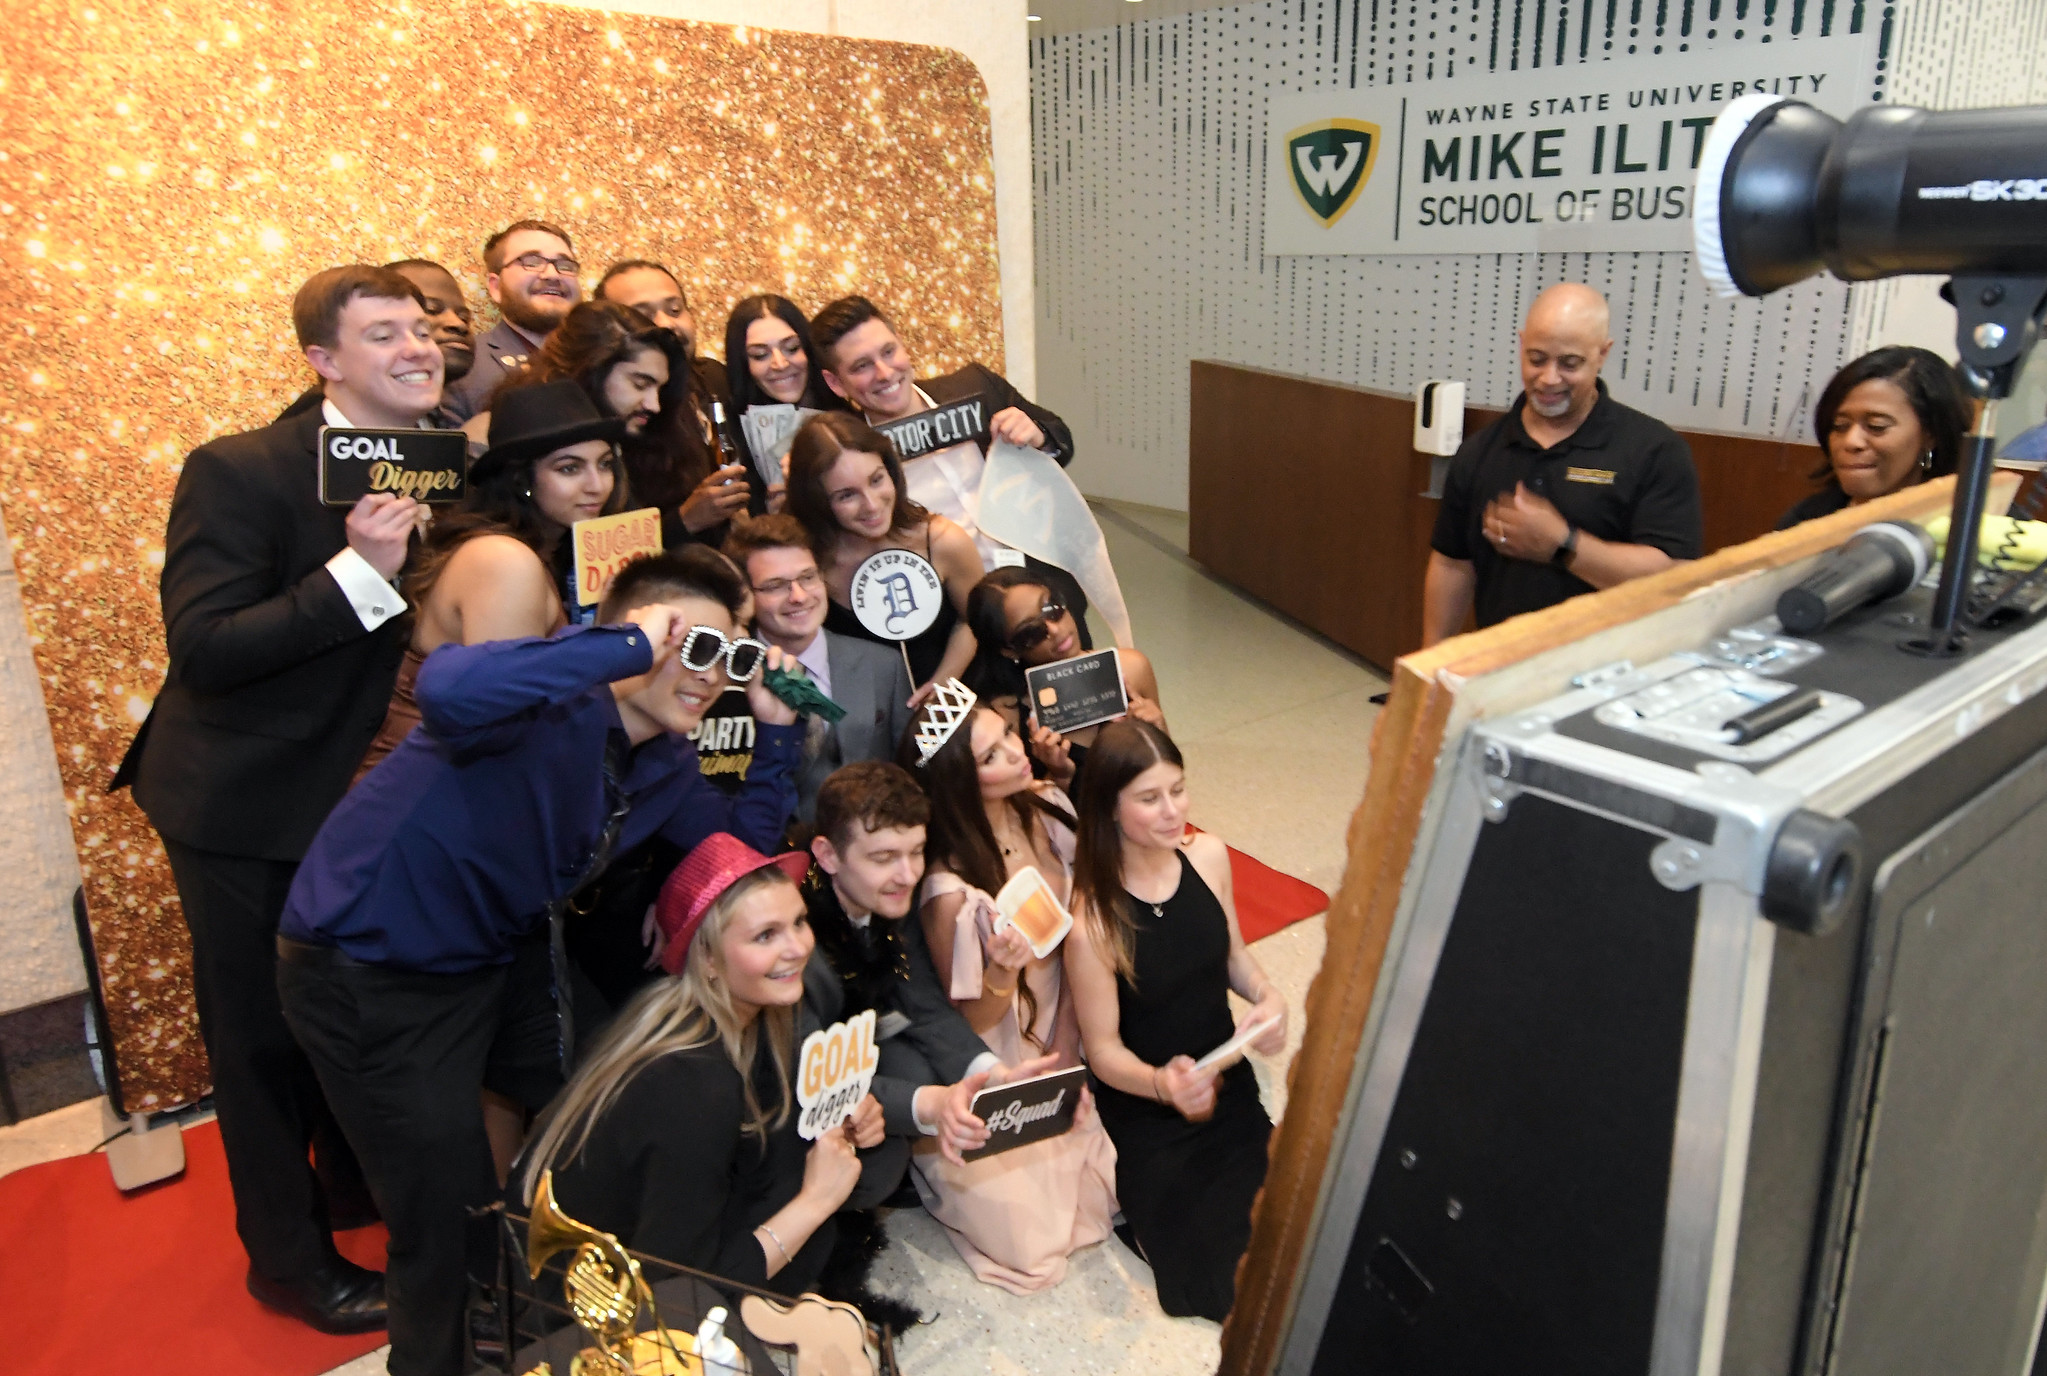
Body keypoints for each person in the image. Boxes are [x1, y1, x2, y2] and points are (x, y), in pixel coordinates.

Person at [276, 549, 806, 1376]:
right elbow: (446, 687)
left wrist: (775, 733)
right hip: (370, 970)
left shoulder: (662, 762)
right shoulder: (542, 701)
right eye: (692, 648)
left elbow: (741, 854)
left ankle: (583, 1318)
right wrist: (626, 648)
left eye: (728, 658)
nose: (708, 677)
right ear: (634, 635)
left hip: (497, 955)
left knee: (616, 1097)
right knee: (442, 1223)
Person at [109, 264, 437, 1335]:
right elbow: (203, 646)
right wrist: (356, 570)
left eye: (422, 327)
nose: (416, 345)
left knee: (346, 1013)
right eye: (382, 332)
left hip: (360, 799)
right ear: (324, 362)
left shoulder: (441, 463)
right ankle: (288, 1263)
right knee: (258, 1040)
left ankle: (354, 1191)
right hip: (240, 804)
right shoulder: (240, 468)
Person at [520, 836, 875, 1295]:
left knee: (846, 1164)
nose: (798, 948)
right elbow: (676, 1289)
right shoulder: (692, 1080)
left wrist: (843, 1120)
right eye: (766, 935)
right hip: (590, 1307)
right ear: (707, 958)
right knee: (813, 1222)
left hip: (635, 1246)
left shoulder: (731, 1015)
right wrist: (815, 1203)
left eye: (799, 922)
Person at [1064, 720, 1289, 1322]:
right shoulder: (1092, 922)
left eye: (1178, 790)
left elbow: (1234, 954)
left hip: (1226, 1087)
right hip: (1150, 1112)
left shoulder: (1208, 856)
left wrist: (1268, 997)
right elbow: (1103, 1052)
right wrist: (1164, 1084)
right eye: (1149, 798)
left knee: (1296, 1239)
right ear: (1110, 808)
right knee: (1233, 1284)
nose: (1172, 811)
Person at [901, 684, 1118, 1293]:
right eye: (992, 756)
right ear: (960, 786)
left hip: (1068, 1020)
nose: (1017, 752)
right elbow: (967, 1025)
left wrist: (1073, 1049)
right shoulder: (950, 889)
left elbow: (1087, 937)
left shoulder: (1048, 805)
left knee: (1114, 1184)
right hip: (999, 1058)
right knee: (1032, 1245)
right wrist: (1000, 970)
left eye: (1006, 735)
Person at [356, 378, 628, 781]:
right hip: (419, 808)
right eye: (569, 468)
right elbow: (508, 721)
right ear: (521, 481)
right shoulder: (503, 559)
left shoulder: (537, 552)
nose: (597, 485)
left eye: (605, 464)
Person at [801, 762, 1055, 1181]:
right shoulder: (796, 942)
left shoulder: (887, 899)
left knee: (921, 1067)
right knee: (878, 1168)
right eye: (884, 857)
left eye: (916, 852)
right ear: (827, 855)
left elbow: (925, 1006)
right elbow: (806, 1076)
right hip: (801, 1071)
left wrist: (995, 1078)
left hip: (868, 1032)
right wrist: (935, 1104)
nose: (907, 875)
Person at [1421, 283, 1703, 645]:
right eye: (1537, 359)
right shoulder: (1479, 452)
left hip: (1613, 673)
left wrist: (1563, 545)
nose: (1549, 378)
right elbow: (1452, 564)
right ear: (1521, 344)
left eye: (1569, 363)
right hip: (1504, 667)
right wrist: (1428, 667)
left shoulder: (1655, 451)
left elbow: (1677, 577)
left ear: (1602, 354)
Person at [809, 294, 1099, 643]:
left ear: (902, 344)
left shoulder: (975, 386)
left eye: (888, 352)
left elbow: (1060, 437)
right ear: (836, 383)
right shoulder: (846, 455)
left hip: (1045, 596)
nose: (884, 373)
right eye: (861, 366)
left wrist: (1038, 435)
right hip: (956, 627)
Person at [467, 300, 742, 554]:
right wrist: (684, 522)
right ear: (591, 369)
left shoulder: (651, 437)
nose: (654, 404)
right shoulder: (511, 435)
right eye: (640, 384)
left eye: (605, 465)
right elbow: (579, 560)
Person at [724, 514, 914, 823]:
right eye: (776, 586)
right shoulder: (729, 677)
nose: (798, 596)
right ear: (745, 596)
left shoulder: (883, 665)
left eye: (808, 578)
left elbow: (906, 773)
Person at [786, 412, 981, 694]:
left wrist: (942, 684)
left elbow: (974, 620)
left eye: (876, 480)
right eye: (846, 495)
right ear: (817, 501)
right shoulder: (807, 565)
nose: (872, 505)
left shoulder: (943, 541)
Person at [962, 566, 1165, 783]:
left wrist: (1157, 728)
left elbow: (1169, 770)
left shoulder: (1131, 667)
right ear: (1009, 650)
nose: (1055, 630)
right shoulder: (1003, 717)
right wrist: (1058, 775)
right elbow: (1019, 810)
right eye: (1031, 632)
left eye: (1052, 608)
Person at [1777, 346, 1972, 528]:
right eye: (1840, 426)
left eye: (1876, 426)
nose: (1851, 441)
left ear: (1930, 435)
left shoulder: (1958, 533)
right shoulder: (1805, 521)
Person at [277, 257, 473, 426]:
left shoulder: (447, 444)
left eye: (422, 333)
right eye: (384, 337)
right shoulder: (263, 462)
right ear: (327, 361)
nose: (418, 349)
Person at [443, 219, 582, 422]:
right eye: (532, 262)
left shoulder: (602, 360)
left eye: (565, 265)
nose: (552, 274)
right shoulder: (466, 366)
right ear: (495, 287)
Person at [595, 258, 735, 456]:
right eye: (642, 315)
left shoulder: (716, 378)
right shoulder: (607, 412)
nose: (666, 323)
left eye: (675, 310)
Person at [722, 293, 846, 483]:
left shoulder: (848, 411)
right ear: (743, 365)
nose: (780, 364)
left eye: (792, 348)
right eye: (760, 355)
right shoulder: (731, 438)